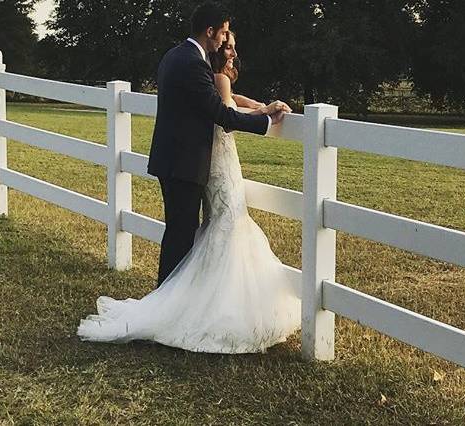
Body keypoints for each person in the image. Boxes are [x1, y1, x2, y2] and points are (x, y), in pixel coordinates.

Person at [77, 3, 301, 353]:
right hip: (184, 163)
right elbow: (219, 112)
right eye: (223, 31)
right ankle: (163, 312)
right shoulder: (192, 63)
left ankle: (165, 304)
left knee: (180, 235)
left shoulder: (175, 57)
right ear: (210, 31)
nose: (226, 38)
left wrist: (258, 107)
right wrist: (266, 121)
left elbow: (216, 99)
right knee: (181, 236)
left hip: (175, 160)